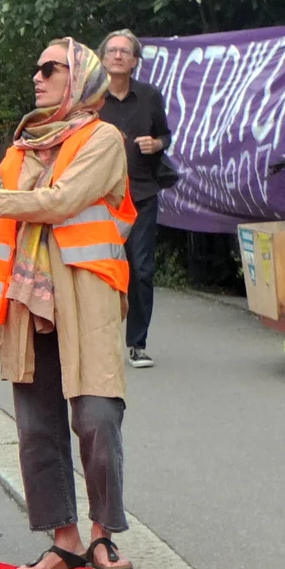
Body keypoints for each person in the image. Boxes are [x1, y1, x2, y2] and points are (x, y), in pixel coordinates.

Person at [0, 38, 137, 569]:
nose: (37, 76)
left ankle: (104, 534)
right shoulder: (23, 150)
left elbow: (59, 202)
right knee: (37, 427)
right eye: (35, 68)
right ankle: (65, 540)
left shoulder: (104, 139)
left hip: (87, 297)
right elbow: (4, 239)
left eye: (50, 68)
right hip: (27, 304)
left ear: (77, 78)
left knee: (98, 419)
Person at [98, 29, 171, 369]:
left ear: (135, 61)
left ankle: (137, 343)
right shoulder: (92, 99)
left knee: (140, 270)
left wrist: (156, 145)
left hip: (141, 194)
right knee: (101, 270)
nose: (117, 56)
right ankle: (101, 338)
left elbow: (165, 135)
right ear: (102, 58)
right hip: (99, 199)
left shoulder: (150, 96)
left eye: (124, 51)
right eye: (111, 50)